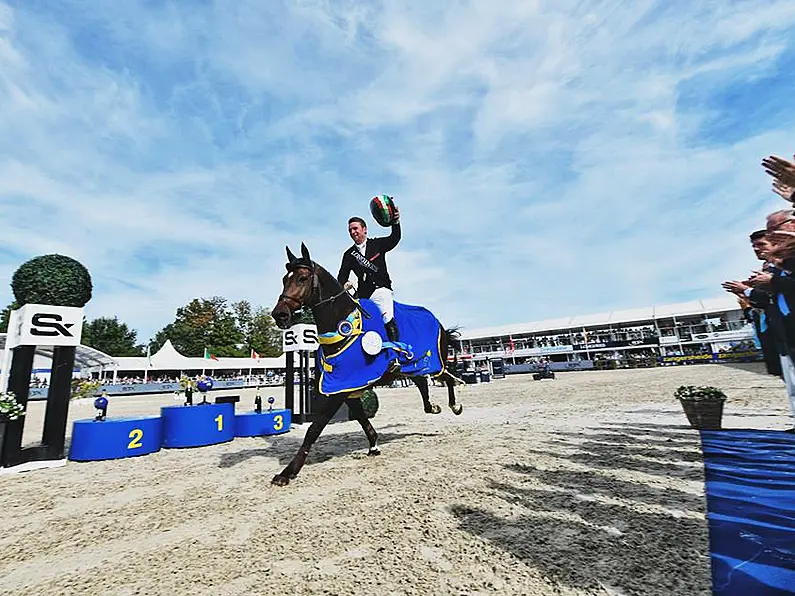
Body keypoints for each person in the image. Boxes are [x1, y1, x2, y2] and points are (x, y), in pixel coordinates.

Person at [337, 205, 402, 343]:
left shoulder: (377, 244)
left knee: (387, 317)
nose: (353, 232)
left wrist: (395, 222)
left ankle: (395, 354)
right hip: (363, 295)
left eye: (355, 228)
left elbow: (394, 238)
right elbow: (341, 277)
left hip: (381, 290)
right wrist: (345, 283)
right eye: (350, 230)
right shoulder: (348, 254)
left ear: (364, 229)